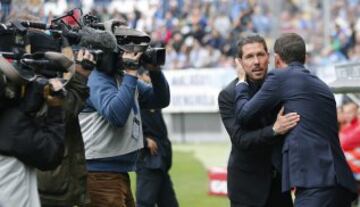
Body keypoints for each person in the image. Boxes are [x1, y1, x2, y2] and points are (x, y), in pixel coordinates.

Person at [234, 33, 357, 207]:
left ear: (276, 59)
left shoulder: (280, 77)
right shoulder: (321, 85)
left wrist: (241, 82)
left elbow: (243, 115)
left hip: (317, 184)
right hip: (339, 184)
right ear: (305, 58)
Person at [79, 27, 170, 207]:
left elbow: (160, 99)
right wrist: (130, 73)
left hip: (116, 171)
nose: (132, 55)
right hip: (99, 173)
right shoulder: (97, 78)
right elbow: (116, 116)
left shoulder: (121, 77)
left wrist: (155, 71)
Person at [218, 34, 298, 207]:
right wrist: (274, 130)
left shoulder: (281, 86)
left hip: (280, 187)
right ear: (239, 62)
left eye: (260, 55)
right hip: (247, 189)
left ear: (268, 58)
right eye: (249, 56)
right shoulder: (228, 95)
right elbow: (241, 140)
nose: (256, 61)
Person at [37, 49, 95, 207]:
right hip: (51, 187)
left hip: (55, 183)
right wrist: (80, 77)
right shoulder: (33, 91)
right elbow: (63, 113)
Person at [135, 69, 178, 207]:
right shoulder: (135, 97)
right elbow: (125, 125)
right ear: (139, 76)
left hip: (161, 158)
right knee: (145, 202)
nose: (150, 78)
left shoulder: (153, 97)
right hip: (148, 159)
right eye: (147, 74)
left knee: (169, 202)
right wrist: (144, 141)